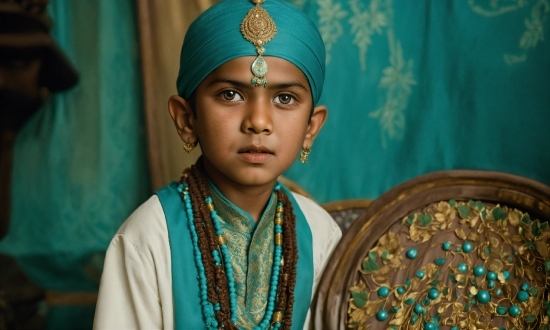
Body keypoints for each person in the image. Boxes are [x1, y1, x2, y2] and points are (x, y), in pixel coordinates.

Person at [93, 0, 342, 329]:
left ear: (311, 127)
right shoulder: (148, 239)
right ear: (186, 119)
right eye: (230, 95)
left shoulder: (320, 234)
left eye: (284, 98)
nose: (258, 121)